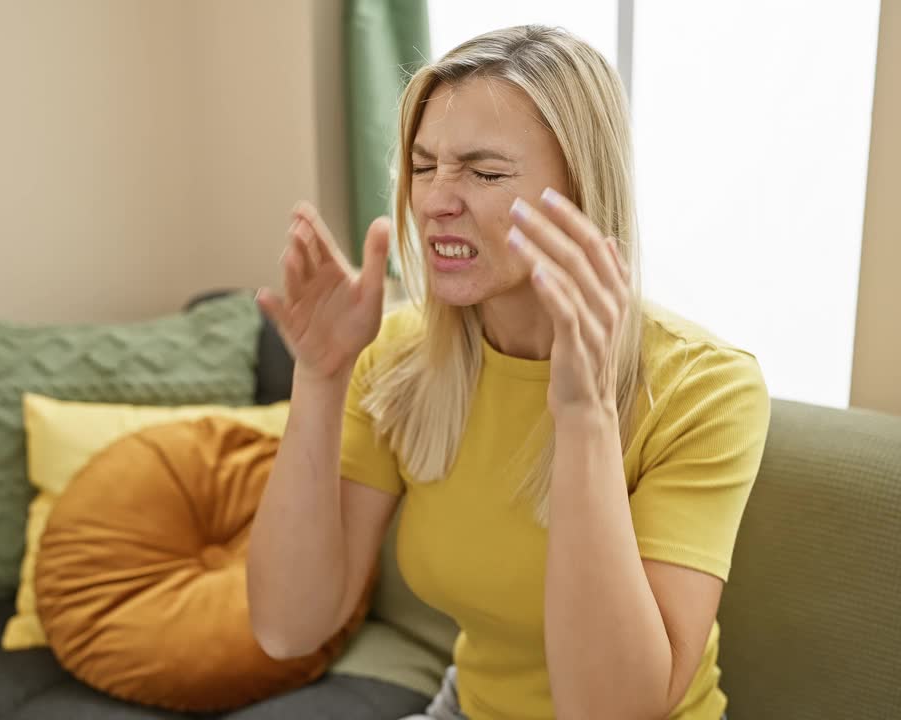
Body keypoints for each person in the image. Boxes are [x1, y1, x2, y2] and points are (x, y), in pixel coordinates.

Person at [246, 24, 768, 720]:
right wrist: (320, 377)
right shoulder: (400, 358)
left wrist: (584, 411)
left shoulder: (706, 390)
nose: (434, 200)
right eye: (424, 165)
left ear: (582, 190)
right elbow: (288, 626)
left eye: (485, 173)